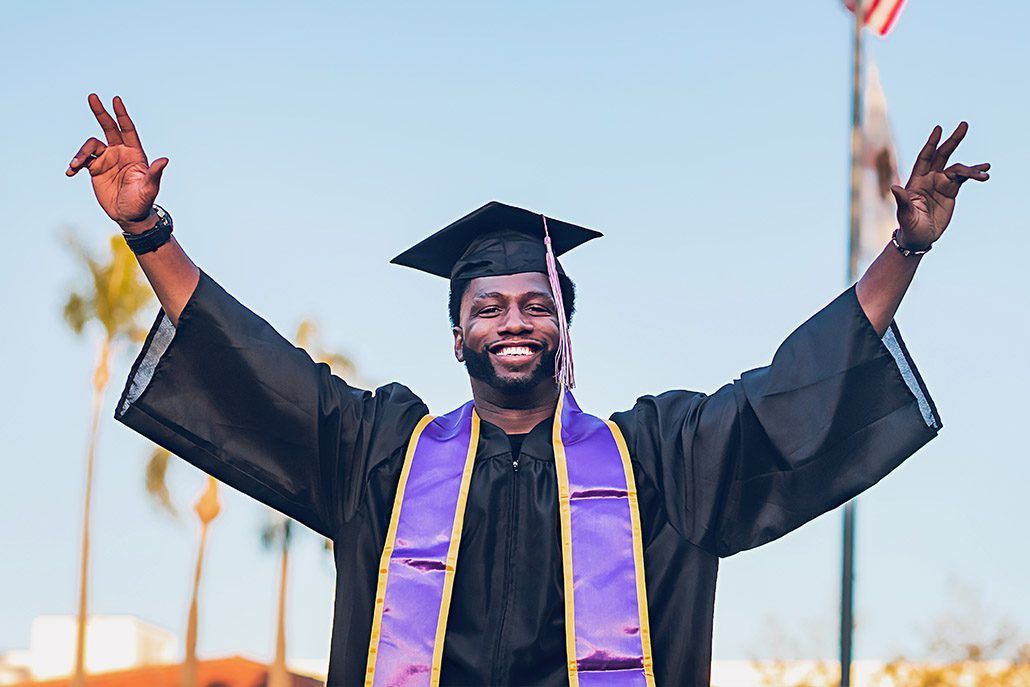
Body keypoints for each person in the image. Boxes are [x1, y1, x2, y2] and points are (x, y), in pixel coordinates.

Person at [67, 93, 989, 687]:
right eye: (490, 306)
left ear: (563, 330)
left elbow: (789, 394)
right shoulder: (381, 455)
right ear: (458, 330)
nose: (513, 321)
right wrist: (148, 230)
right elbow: (257, 370)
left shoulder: (656, 462)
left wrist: (905, 248)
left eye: (534, 304)